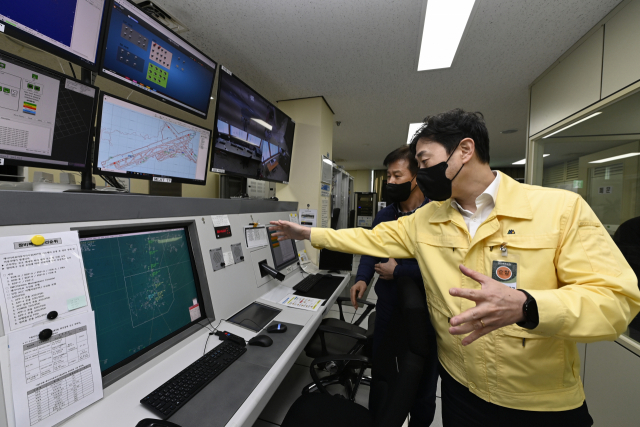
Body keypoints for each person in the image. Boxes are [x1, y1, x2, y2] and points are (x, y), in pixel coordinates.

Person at [270, 109, 640, 426]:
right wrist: (308, 232)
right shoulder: (426, 219)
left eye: (425, 160)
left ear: (465, 150)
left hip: (540, 403)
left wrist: (527, 306)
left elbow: (617, 301)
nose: (419, 172)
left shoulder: (561, 210)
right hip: (461, 391)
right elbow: (368, 239)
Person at [350, 146, 438, 426]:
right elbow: (371, 249)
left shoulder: (436, 215)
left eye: (396, 175)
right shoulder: (385, 216)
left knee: (422, 388)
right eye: (387, 176)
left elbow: (440, 267)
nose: (389, 182)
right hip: (388, 309)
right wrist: (363, 277)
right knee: (383, 379)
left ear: (416, 178)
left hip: (426, 315)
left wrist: (399, 271)